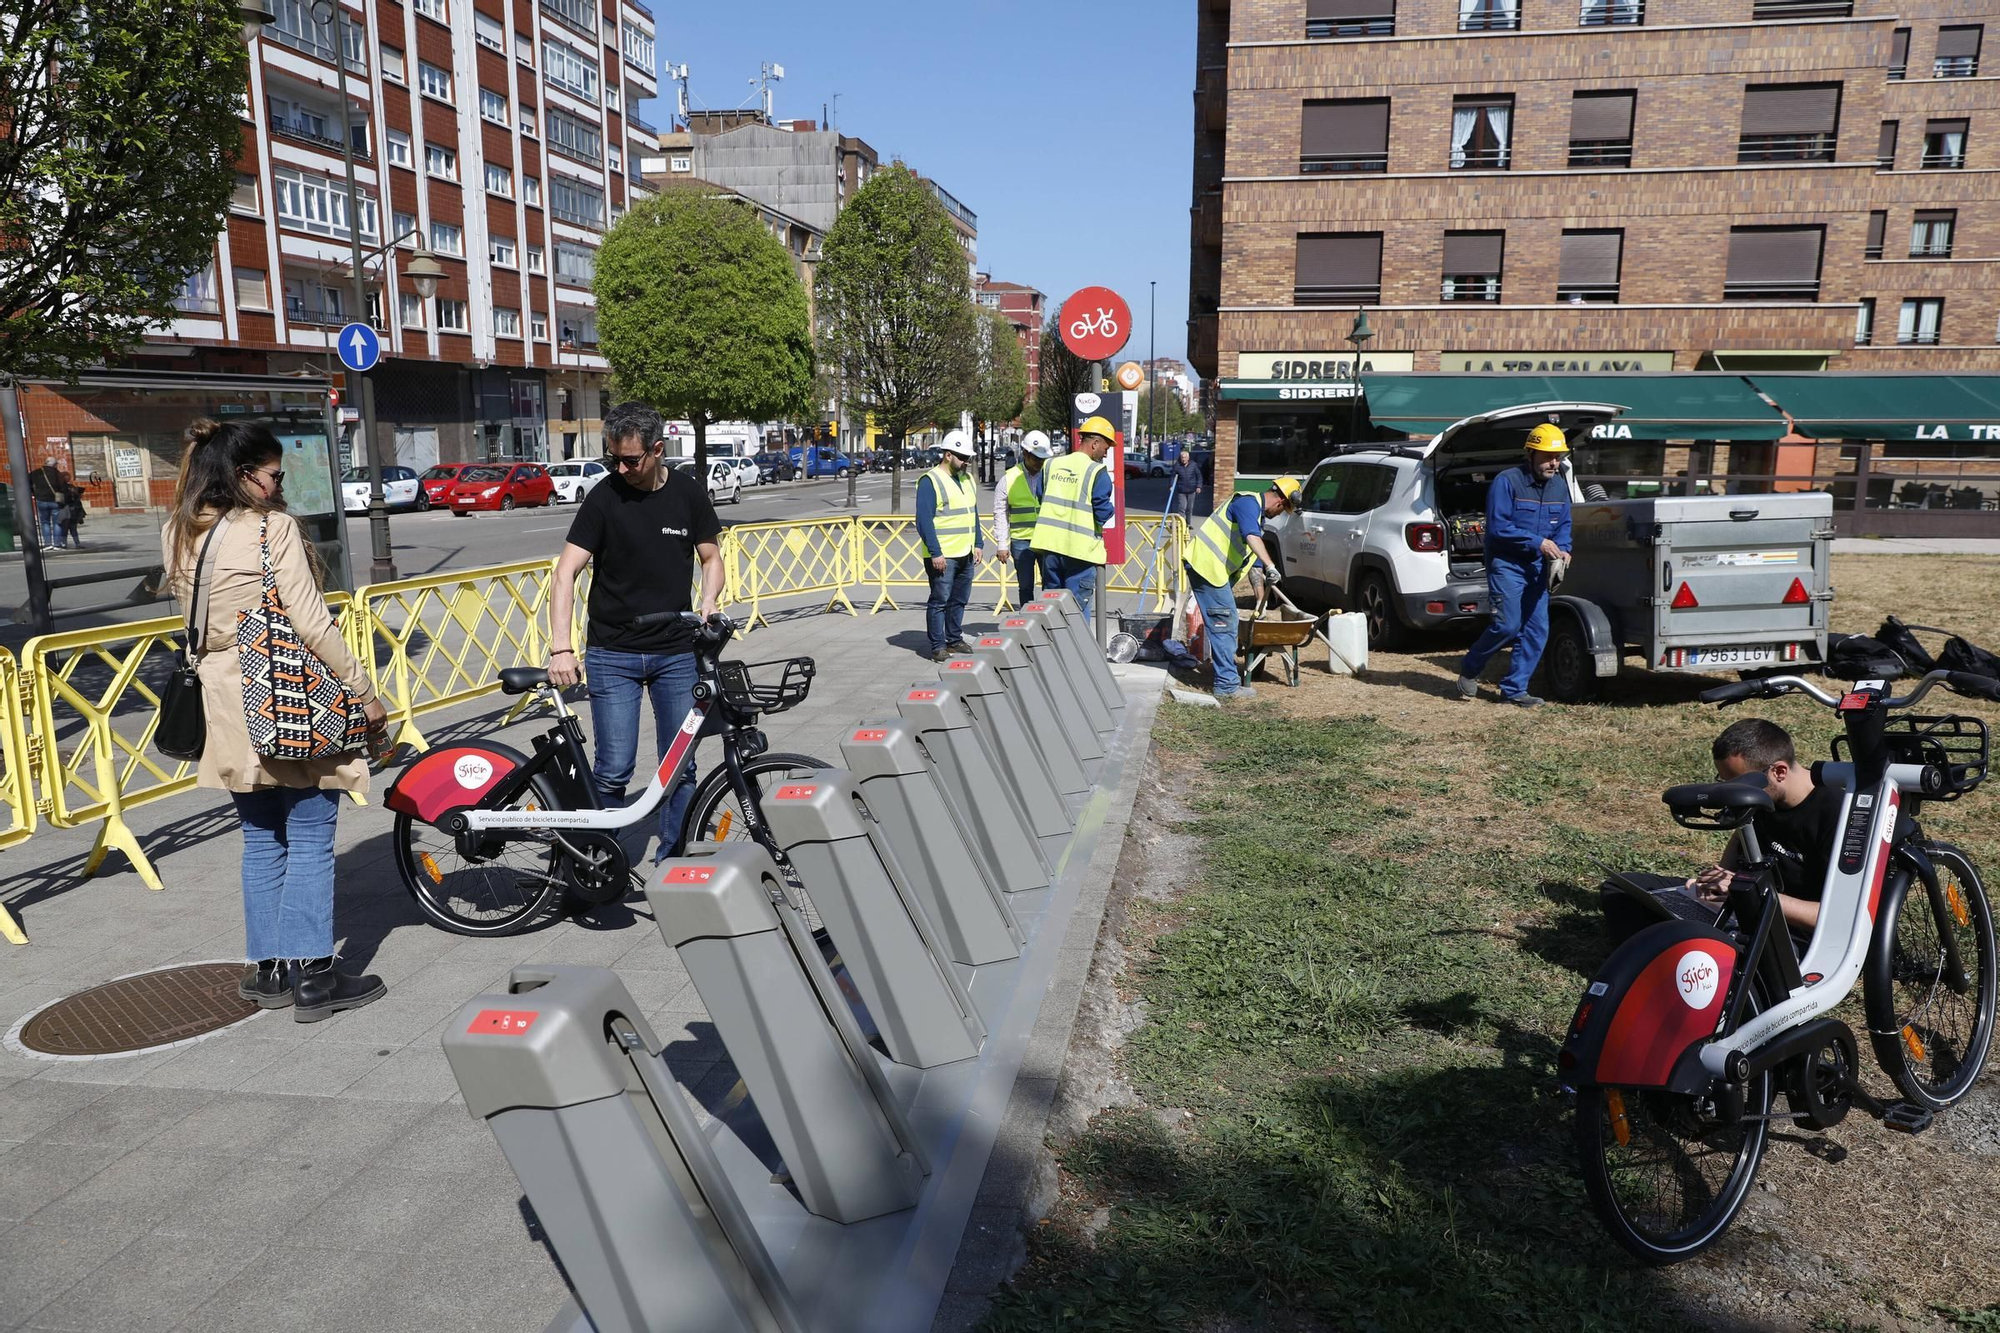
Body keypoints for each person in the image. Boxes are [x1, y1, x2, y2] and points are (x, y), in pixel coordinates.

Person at [161, 419, 389, 1019]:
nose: (280, 484)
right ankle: (315, 976)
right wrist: (364, 691)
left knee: (261, 839)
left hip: (223, 703)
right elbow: (311, 623)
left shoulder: (179, 531)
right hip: (285, 696)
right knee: (312, 834)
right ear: (245, 476)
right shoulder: (272, 528)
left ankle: (267, 972)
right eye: (275, 474)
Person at [547, 402, 724, 863]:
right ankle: (595, 863)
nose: (621, 468)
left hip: (675, 653)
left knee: (680, 768)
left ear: (658, 450)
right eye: (613, 459)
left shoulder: (687, 494)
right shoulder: (604, 498)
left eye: (630, 460)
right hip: (613, 654)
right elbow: (565, 573)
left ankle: (674, 860)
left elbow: (711, 558)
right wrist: (562, 648)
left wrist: (708, 600)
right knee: (613, 770)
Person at [1601, 718, 1846, 949]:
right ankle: (1651, 961)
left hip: (1793, 928)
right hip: (1745, 905)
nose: (1732, 794)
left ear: (1779, 772)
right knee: (1621, 889)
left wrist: (1748, 893)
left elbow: (1841, 918)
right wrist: (1714, 885)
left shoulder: (1839, 815)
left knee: (1739, 952)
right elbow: (1741, 835)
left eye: (1737, 784)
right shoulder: (1760, 797)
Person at [1456, 423, 1573, 708]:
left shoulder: (1560, 484)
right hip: (1507, 563)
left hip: (1539, 567)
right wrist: (1538, 542)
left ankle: (1515, 690)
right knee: (1508, 625)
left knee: (1536, 630)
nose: (1553, 463)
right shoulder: (1507, 481)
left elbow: (1564, 525)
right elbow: (1498, 528)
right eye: (1547, 456)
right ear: (1531, 453)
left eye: (1557, 457)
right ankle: (1470, 668)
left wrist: (1565, 550)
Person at [1183, 477, 1297, 702]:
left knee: (1227, 621)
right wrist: (1271, 565)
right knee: (1225, 623)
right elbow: (1251, 537)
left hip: (1210, 571)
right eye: (1284, 511)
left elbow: (1254, 565)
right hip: (1206, 567)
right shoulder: (1247, 503)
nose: (1280, 515)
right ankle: (1226, 685)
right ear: (1280, 502)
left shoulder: (1256, 517)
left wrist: (1259, 602)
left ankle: (1227, 680)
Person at [1031, 416, 1117, 625]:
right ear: (1094, 443)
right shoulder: (1097, 472)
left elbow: (1042, 496)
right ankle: (1078, 657)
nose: (1106, 452)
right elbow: (1102, 512)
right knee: (1077, 613)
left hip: (1050, 548)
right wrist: (1110, 510)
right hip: (1080, 552)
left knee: (1051, 609)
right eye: (1106, 447)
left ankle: (1053, 654)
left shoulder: (1051, 465)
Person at [916, 429, 984, 662]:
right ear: (947, 455)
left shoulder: (967, 479)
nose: (966, 462)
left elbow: (971, 512)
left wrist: (978, 542)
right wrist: (936, 552)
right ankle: (938, 646)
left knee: (959, 600)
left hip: (965, 552)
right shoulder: (930, 480)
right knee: (939, 601)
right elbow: (923, 521)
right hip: (943, 555)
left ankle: (954, 639)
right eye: (962, 457)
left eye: (968, 458)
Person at [993, 431, 1052, 608]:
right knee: (1025, 586)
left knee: (1050, 585)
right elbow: (1000, 512)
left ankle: (1048, 620)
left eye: (1042, 459)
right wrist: (1002, 544)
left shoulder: (1049, 475)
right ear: (1025, 454)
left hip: (1046, 539)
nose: (1040, 463)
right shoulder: (1009, 478)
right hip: (1021, 540)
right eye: (1036, 459)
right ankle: (1028, 621)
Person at [28, 459, 68, 551]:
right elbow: (64, 488)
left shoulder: (36, 473)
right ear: (55, 465)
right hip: (55, 500)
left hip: (41, 500)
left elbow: (27, 483)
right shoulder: (58, 474)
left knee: (45, 522)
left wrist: (34, 493)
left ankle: (48, 544)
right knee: (57, 522)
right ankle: (57, 544)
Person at [1169, 448, 1204, 526]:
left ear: (1188, 458)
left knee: (1189, 508)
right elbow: (1172, 476)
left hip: (1192, 490)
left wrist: (1199, 486)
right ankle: (1181, 524)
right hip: (1181, 490)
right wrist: (1171, 485)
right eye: (1182, 458)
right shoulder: (1177, 466)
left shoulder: (1193, 465)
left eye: (1185, 458)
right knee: (1182, 508)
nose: (1183, 459)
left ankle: (1188, 523)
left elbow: (1199, 476)